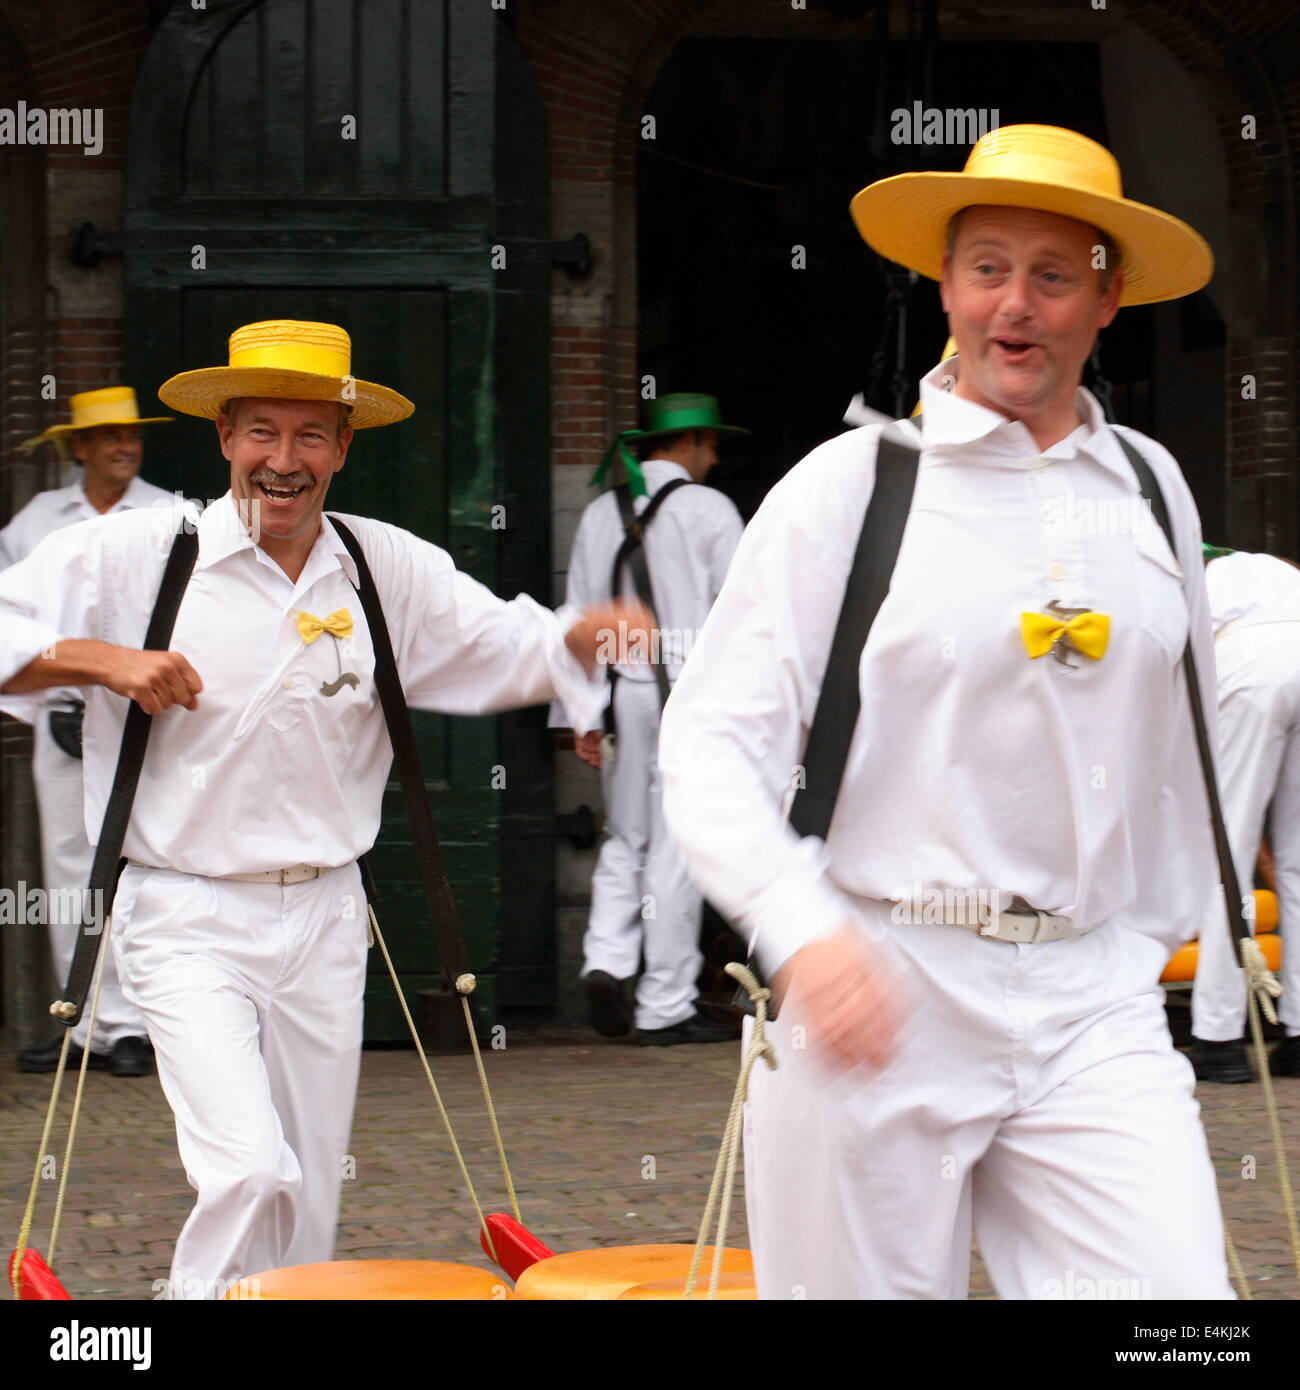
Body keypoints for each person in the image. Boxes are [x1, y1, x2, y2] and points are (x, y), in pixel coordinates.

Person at [660, 125, 1236, 1298]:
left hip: (1094, 1000)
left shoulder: (1148, 484)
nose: (1012, 306)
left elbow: (1184, 730)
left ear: (1108, 296)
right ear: (945, 285)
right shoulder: (852, 487)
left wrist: (1148, 930)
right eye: (985, 268)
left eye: (1052, 275)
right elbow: (712, 741)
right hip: (881, 980)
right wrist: (801, 927)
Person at [0, 319, 646, 1298]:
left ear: (344, 447)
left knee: (307, 1199)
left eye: (311, 436)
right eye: (262, 431)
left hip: (328, 914)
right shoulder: (135, 552)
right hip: (182, 910)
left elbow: (502, 645)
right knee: (250, 1168)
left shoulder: (383, 566)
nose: (283, 460)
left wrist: (582, 636)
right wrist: (103, 660)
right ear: (224, 436)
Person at [556, 395, 745, 1044]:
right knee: (678, 845)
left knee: (623, 839)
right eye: (710, 444)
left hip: (621, 694)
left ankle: (606, 961)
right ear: (686, 443)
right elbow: (742, 615)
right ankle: (665, 1004)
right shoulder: (711, 511)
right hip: (691, 696)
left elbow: (577, 617)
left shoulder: (600, 514)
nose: (715, 457)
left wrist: (578, 713)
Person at [3, 387, 174, 1077]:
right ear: (79, 447)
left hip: (141, 716)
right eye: (108, 438)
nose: (124, 447)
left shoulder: (170, 514)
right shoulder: (37, 521)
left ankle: (134, 1027)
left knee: (137, 867)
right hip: (63, 715)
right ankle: (81, 1025)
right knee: (67, 872)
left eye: (132, 437)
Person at [1191, 545, 1300, 1082]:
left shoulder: (1205, 578)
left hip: (1250, 663)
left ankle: (1220, 1039)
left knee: (1226, 854)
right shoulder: (1281, 573)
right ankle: (1299, 1039)